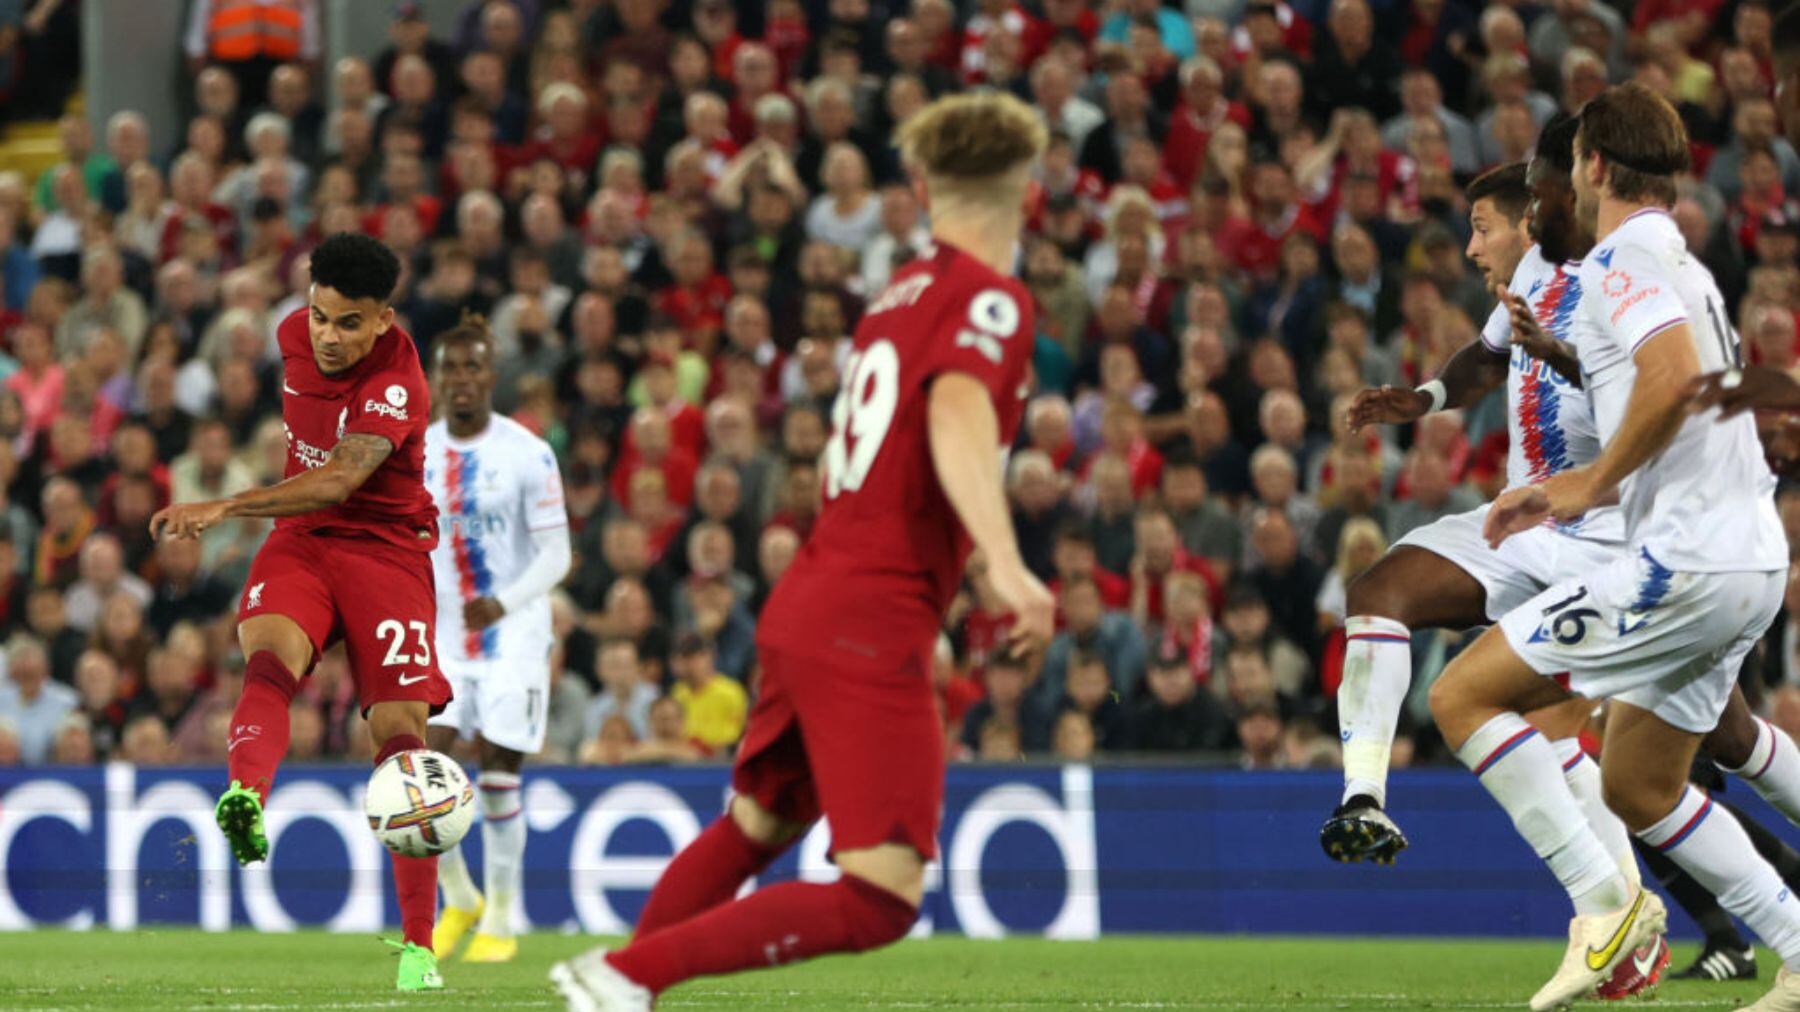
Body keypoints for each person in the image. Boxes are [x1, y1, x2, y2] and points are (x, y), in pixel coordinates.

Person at [550, 91, 1055, 1010]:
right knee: (881, 894)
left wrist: (959, 565)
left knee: (760, 821)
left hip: (816, 589)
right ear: (1025, 187)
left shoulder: (893, 300)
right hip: (870, 610)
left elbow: (858, 461)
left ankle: (617, 988)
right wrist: (1009, 566)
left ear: (921, 184)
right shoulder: (991, 297)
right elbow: (954, 413)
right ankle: (628, 974)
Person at [1443, 83, 1799, 1010]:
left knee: (1463, 694)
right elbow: (1666, 373)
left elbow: (1675, 378)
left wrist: (1584, 485)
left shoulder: (1621, 258)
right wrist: (1566, 363)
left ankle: (1605, 910)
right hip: (1745, 555)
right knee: (1640, 783)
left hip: (1682, 563)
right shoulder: (1676, 258)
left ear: (1593, 166)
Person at [149, 233, 449, 993]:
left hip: (386, 550)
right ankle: (247, 792)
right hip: (305, 543)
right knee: (267, 658)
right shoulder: (288, 335)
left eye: (350, 323)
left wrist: (227, 505)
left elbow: (337, 482)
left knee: (401, 740)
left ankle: (419, 947)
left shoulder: (399, 383)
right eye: (321, 317)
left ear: (383, 320)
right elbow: (311, 499)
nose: (328, 336)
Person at [423, 317, 573, 965]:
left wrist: (504, 602)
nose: (462, 380)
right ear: (436, 379)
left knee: (498, 774)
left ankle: (503, 918)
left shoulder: (527, 452)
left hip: (512, 632)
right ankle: (459, 896)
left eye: (473, 368)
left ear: (492, 377)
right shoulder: (415, 455)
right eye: (451, 369)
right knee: (425, 773)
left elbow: (558, 553)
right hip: (444, 634)